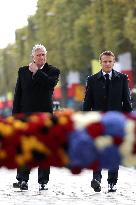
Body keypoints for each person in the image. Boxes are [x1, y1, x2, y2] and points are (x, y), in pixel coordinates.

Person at [83, 50, 132, 192]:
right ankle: (96, 179)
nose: (107, 64)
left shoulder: (123, 79)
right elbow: (87, 103)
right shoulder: (92, 80)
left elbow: (127, 103)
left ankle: (112, 182)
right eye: (105, 61)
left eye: (110, 61)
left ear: (114, 62)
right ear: (100, 62)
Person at [12, 44, 60, 190]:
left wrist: (37, 71)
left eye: (43, 54)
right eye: (38, 55)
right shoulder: (22, 71)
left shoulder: (53, 71)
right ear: (33, 56)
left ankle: (43, 181)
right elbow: (18, 95)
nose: (41, 57)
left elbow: (50, 84)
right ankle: (22, 179)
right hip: (25, 115)